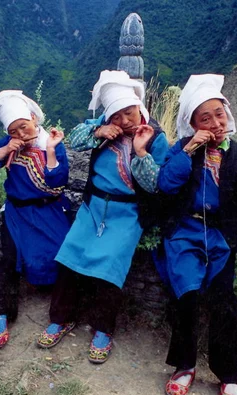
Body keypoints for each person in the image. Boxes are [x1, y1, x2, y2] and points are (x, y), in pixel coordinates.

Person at [155, 74, 237, 395]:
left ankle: (230, 377)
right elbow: (165, 184)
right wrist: (192, 146)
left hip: (221, 238)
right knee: (186, 298)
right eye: (204, 118)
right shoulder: (182, 149)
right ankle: (185, 366)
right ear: (191, 123)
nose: (215, 123)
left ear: (229, 115)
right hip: (184, 234)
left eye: (219, 114)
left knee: (224, 303)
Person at [37, 70, 169, 364]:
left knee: (110, 267)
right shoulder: (104, 125)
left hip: (128, 212)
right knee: (69, 257)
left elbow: (155, 184)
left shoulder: (155, 137)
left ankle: (103, 329)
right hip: (93, 206)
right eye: (117, 115)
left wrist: (140, 152)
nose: (124, 121)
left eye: (129, 112)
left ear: (139, 106)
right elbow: (75, 137)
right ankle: (61, 318)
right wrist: (98, 132)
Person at [0, 90, 71, 349]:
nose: (21, 134)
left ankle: (61, 316)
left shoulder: (51, 142)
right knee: (8, 258)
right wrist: (4, 149)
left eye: (24, 127)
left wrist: (50, 151)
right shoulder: (8, 143)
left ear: (33, 118)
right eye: (14, 130)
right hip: (17, 212)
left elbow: (58, 180)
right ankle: (0, 314)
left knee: (65, 255)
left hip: (49, 209)